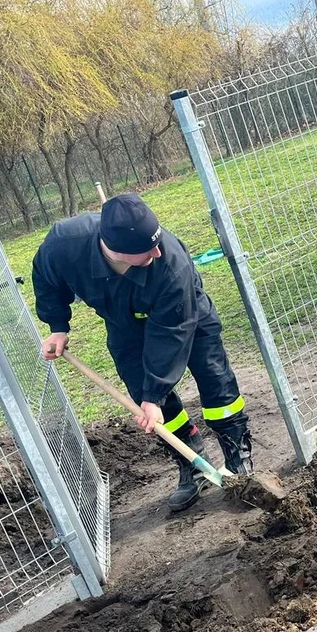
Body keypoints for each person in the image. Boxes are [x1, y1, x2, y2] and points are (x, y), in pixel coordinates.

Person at [32, 193, 253, 511]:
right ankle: (193, 462)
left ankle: (238, 462)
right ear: (118, 251)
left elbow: (170, 335)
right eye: (148, 250)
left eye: (157, 241)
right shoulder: (65, 243)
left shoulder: (170, 263)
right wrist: (58, 325)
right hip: (124, 325)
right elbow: (46, 277)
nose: (158, 250)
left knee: (213, 375)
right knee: (140, 387)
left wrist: (155, 396)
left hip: (182, 314)